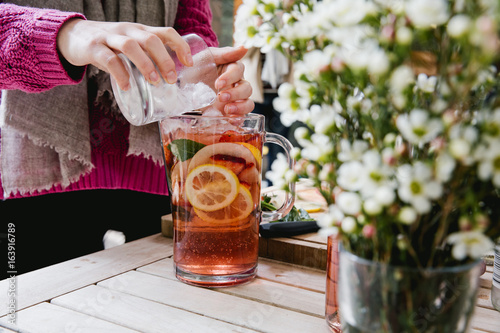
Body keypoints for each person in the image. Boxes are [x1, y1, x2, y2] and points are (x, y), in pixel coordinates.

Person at [0, 1, 255, 277]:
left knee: (170, 310)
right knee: (36, 311)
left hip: (162, 171)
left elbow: (190, 26)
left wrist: (206, 77)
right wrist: (69, 34)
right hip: (41, 171)